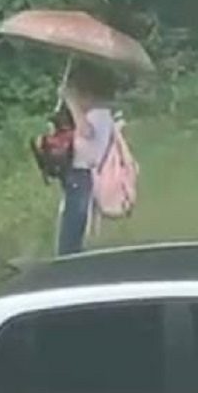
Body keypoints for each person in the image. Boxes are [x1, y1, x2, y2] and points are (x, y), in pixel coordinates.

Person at [56, 62, 117, 256]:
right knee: (72, 223)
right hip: (80, 174)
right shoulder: (98, 113)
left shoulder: (98, 113)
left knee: (72, 229)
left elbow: (85, 131)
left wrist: (71, 102)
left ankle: (67, 264)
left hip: (83, 174)